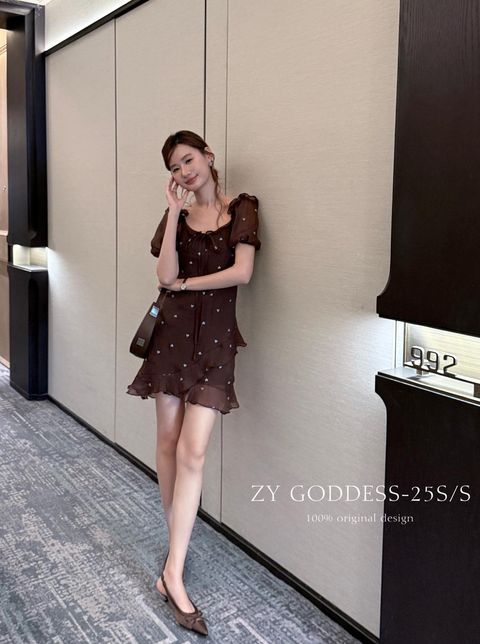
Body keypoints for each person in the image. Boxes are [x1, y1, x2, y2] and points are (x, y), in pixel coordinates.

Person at [126, 130, 261, 636]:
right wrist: (170, 212)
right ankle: (175, 563)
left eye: (189, 159)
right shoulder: (178, 219)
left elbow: (242, 273)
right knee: (167, 443)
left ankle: (172, 571)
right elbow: (164, 275)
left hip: (216, 345)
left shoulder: (242, 208)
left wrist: (186, 284)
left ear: (208, 156)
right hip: (172, 338)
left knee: (193, 452)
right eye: (175, 167)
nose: (184, 172)